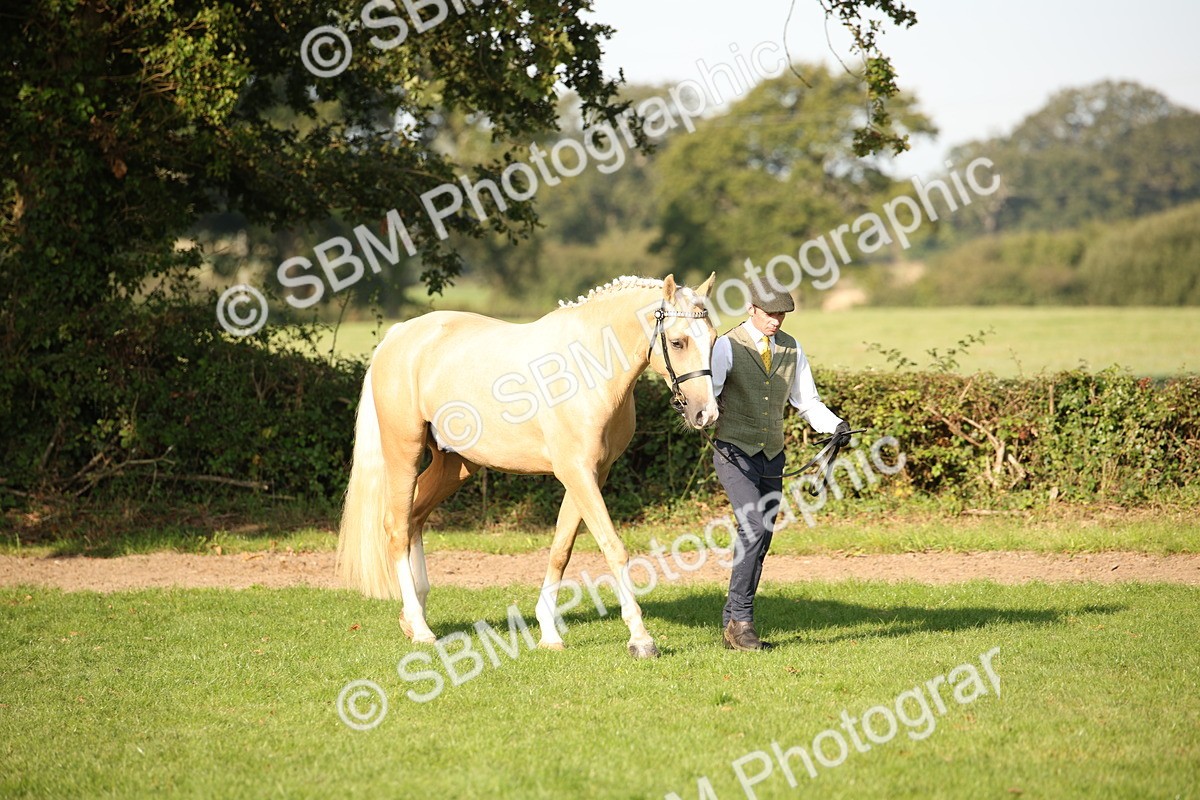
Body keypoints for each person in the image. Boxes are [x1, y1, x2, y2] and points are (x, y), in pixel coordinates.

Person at [711, 282, 851, 651]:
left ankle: (732, 626)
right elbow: (709, 395)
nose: (776, 321)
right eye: (770, 313)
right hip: (733, 450)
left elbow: (807, 401)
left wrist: (835, 424)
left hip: (772, 454)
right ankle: (742, 622)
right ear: (751, 308)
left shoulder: (791, 347)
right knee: (754, 527)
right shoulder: (727, 346)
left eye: (781, 315)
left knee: (763, 536)